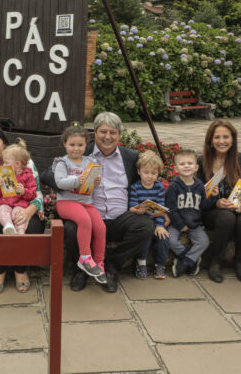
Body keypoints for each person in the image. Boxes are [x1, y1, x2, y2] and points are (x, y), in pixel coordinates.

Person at [42, 112, 154, 293]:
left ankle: (111, 267)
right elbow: (47, 174)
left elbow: (148, 178)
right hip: (86, 213)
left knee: (145, 226)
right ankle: (81, 270)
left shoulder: (131, 157)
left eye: (113, 132)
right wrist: (73, 183)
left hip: (119, 218)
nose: (108, 137)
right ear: (95, 133)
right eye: (103, 132)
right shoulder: (81, 150)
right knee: (70, 228)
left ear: (119, 134)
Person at [0, 125, 46, 294]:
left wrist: (29, 211)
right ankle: (0, 269)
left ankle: (19, 269)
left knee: (31, 227)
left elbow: (37, 193)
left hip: (25, 205)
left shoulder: (24, 162)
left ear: (4, 143)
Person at [197, 119, 241, 283]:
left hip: (237, 207)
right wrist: (216, 203)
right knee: (226, 217)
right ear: (210, 140)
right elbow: (198, 196)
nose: (221, 141)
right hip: (212, 211)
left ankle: (239, 261)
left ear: (233, 139)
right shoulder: (202, 162)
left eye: (226, 137)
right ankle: (216, 261)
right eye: (217, 137)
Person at [53, 123, 106, 284]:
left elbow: (91, 184)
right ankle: (84, 258)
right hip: (66, 202)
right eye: (72, 145)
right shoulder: (62, 163)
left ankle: (99, 263)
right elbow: (60, 182)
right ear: (65, 144)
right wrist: (77, 179)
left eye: (80, 145)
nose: (76, 148)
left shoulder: (90, 161)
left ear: (86, 145)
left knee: (101, 228)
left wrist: (96, 181)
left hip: (86, 202)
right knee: (84, 220)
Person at [163, 150, 216, 278]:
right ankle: (190, 259)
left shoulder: (199, 186)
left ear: (196, 167)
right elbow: (171, 208)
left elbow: (203, 205)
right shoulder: (173, 187)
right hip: (177, 223)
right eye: (182, 164)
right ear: (176, 168)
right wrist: (180, 225)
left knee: (204, 241)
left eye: (190, 163)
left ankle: (185, 262)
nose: (186, 166)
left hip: (195, 223)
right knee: (169, 239)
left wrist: (213, 197)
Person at [130, 151, 168, 280]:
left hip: (156, 219)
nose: (149, 176)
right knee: (144, 237)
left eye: (153, 173)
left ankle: (160, 265)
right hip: (142, 220)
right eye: (146, 172)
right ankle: (141, 264)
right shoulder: (135, 187)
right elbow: (133, 205)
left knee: (163, 238)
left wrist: (160, 225)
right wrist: (135, 209)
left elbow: (161, 207)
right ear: (139, 171)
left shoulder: (158, 187)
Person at [0, 140, 38, 234]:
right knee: (2, 209)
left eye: (6, 162)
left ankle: (21, 231)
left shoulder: (28, 176)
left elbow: (33, 194)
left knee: (19, 214)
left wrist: (24, 191)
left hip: (20, 204)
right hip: (5, 202)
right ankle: (8, 226)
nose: (4, 165)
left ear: (17, 164)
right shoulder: (3, 174)